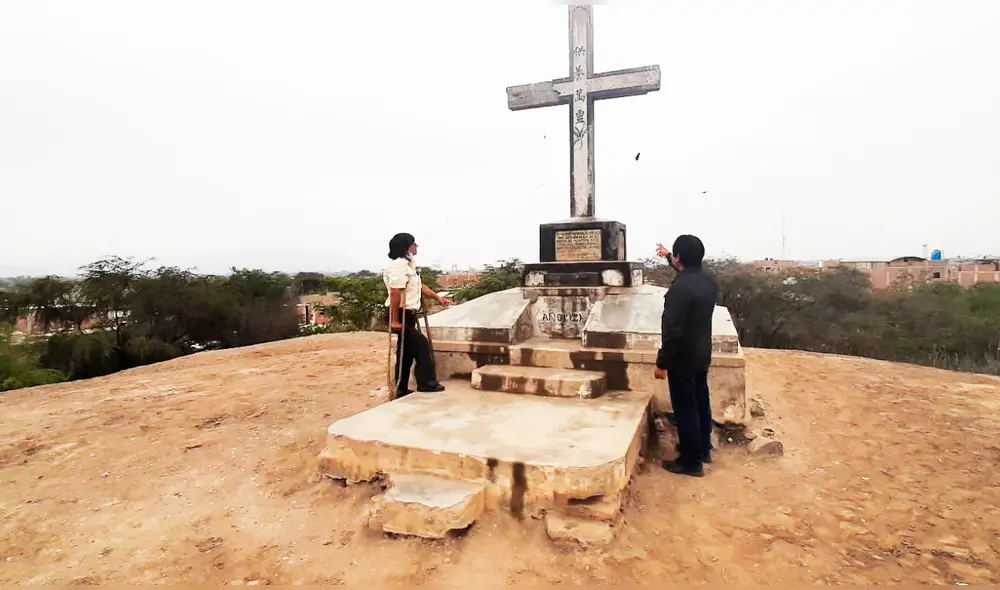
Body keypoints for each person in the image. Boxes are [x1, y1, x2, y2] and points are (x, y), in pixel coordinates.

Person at [653, 235, 718, 477]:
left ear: (679, 258)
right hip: (702, 352)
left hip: (683, 357)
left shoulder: (679, 290)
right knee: (701, 400)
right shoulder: (708, 280)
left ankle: (691, 462)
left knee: (685, 408)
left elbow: (672, 332)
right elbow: (687, 271)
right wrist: (668, 255)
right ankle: (703, 448)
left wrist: (662, 363)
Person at [384, 232, 453, 397]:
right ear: (406, 247)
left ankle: (401, 389)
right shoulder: (398, 266)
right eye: (413, 244)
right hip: (400, 313)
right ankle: (427, 383)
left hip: (408, 314)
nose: (416, 247)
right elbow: (395, 292)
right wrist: (394, 320)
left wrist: (438, 298)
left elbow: (421, 287)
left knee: (406, 352)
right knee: (422, 345)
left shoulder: (409, 265)